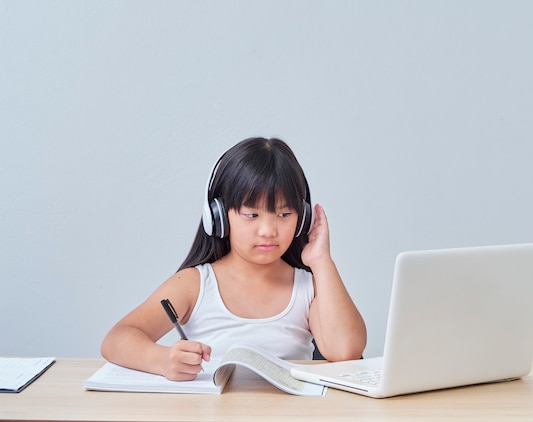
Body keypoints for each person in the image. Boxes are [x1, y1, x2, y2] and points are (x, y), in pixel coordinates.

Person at [101, 137, 367, 381]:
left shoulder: (308, 286)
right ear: (218, 217)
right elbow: (116, 339)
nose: (268, 230)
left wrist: (321, 261)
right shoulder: (196, 284)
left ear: (302, 219)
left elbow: (345, 350)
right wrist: (161, 360)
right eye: (251, 215)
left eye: (284, 215)